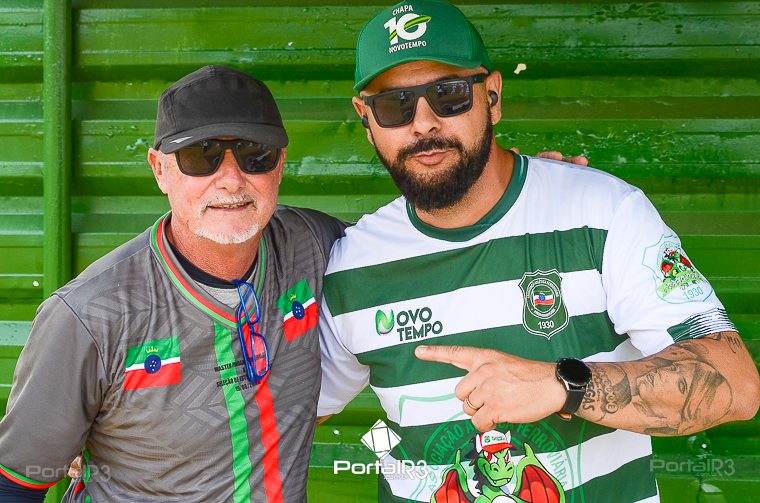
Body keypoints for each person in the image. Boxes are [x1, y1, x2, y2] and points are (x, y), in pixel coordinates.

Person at [316, 1, 760, 502]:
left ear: (492, 97)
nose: (423, 123)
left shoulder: (602, 213)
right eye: (395, 105)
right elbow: (283, 416)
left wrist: (564, 385)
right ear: (366, 119)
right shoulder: (351, 265)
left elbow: (736, 385)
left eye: (448, 94)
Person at [0, 65, 346, 503]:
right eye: (200, 155)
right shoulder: (90, 315)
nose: (231, 179)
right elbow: (15, 483)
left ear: (280, 165)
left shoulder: (314, 245)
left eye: (254, 153)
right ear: (159, 169)